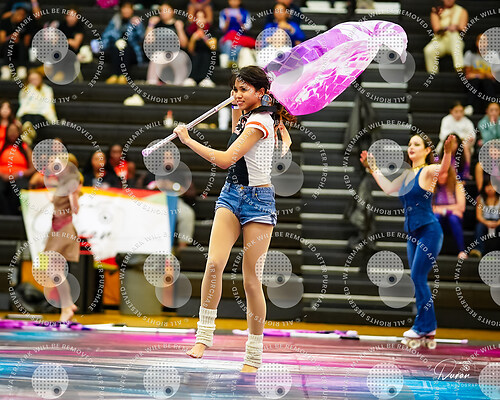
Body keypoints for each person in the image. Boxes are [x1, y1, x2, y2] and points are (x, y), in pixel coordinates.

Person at [174, 65, 293, 371]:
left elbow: (227, 159)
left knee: (251, 279)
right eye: (235, 89)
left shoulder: (260, 121)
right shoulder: (245, 115)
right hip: (231, 195)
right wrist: (238, 106)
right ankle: (203, 336)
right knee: (214, 264)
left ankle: (253, 354)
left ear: (261, 92)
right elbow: (234, 146)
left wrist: (188, 140)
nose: (237, 94)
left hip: (259, 202)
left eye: (244, 90)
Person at [360, 134, 453, 345]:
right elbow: (389, 189)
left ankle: (423, 326)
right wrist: (373, 167)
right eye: (410, 144)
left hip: (429, 231)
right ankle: (428, 327)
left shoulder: (427, 171)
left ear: (427, 151)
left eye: (417, 144)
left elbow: (444, 169)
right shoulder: (406, 175)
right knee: (416, 278)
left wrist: (447, 152)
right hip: (412, 234)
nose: (411, 147)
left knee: (418, 276)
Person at [42, 153, 82, 321]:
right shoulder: (62, 183)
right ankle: (67, 305)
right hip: (56, 229)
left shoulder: (71, 183)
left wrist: (73, 196)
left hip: (63, 229)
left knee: (54, 269)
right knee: (55, 270)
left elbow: (75, 209)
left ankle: (66, 307)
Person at [145, 3, 189, 86]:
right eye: (161, 10)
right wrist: (151, 24)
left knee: (181, 57)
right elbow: (148, 41)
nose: (163, 13)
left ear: (173, 12)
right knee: (155, 56)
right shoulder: (157, 24)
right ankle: (152, 84)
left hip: (176, 53)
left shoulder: (178, 24)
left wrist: (180, 29)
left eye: (166, 10)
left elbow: (184, 44)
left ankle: (179, 85)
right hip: (160, 53)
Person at [101, 1, 145, 84]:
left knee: (125, 49)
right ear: (121, 9)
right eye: (124, 8)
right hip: (115, 48)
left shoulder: (136, 21)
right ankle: (114, 75)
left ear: (132, 10)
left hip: (132, 50)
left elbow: (141, 38)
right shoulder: (115, 20)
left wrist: (137, 26)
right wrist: (116, 40)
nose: (126, 10)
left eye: (128, 8)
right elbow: (106, 35)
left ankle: (123, 75)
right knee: (116, 49)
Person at [423, 0, 468, 73]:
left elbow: (463, 29)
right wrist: (447, 28)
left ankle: (459, 67)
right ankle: (432, 74)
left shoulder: (462, 11)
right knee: (428, 50)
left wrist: (455, 28)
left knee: (453, 34)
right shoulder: (436, 10)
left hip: (456, 42)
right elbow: (436, 29)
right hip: (441, 41)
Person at [0, 122, 35, 214]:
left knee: (18, 188)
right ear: (6, 132)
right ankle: (5, 215)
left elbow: (32, 168)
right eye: (10, 131)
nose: (12, 133)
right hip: (2, 176)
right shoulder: (1, 146)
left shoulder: (25, 147)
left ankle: (15, 215)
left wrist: (19, 174)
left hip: (20, 177)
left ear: (19, 133)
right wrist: (2, 175)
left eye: (15, 131)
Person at [433, 165, 467, 258]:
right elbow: (431, 208)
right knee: (436, 217)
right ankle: (432, 250)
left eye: (444, 174)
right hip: (439, 218)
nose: (441, 176)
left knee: (453, 218)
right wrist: (448, 211)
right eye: (439, 174)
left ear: (449, 174)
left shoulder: (457, 185)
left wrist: (440, 209)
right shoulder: (432, 186)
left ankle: (461, 250)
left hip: (453, 219)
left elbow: (461, 207)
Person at [16, 70, 58, 145]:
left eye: (36, 79)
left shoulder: (47, 90)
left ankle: (28, 135)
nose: (34, 81)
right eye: (32, 79)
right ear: (28, 80)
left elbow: (48, 104)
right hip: (28, 112)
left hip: (41, 113)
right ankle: (29, 132)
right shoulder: (25, 90)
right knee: (26, 118)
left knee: (37, 118)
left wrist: (52, 118)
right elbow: (23, 104)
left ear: (40, 79)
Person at [44, 7, 85, 83]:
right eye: (69, 15)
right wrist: (67, 41)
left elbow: (76, 44)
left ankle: (58, 74)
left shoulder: (79, 27)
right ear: (66, 16)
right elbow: (54, 41)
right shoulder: (61, 25)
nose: (71, 18)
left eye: (74, 16)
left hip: (72, 52)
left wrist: (64, 41)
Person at [463, 34, 498, 116]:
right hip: (475, 82)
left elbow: (494, 76)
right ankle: (469, 106)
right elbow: (468, 75)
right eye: (480, 40)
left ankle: (491, 107)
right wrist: (483, 74)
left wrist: (478, 74)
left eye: (484, 41)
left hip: (489, 82)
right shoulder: (470, 54)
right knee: (475, 81)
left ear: (488, 43)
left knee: (487, 82)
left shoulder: (494, 55)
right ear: (476, 42)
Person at [184, 9, 217, 87]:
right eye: (198, 17)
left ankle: (206, 79)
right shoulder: (190, 30)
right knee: (195, 56)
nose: (200, 20)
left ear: (206, 19)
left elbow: (213, 47)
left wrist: (204, 38)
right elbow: (190, 50)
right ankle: (191, 78)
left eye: (202, 17)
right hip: (194, 54)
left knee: (205, 55)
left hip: (207, 53)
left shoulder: (211, 30)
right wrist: (193, 39)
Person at [0, 5, 32, 81]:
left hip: (20, 49)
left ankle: (21, 69)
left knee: (22, 45)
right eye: (18, 13)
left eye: (22, 14)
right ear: (14, 13)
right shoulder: (5, 22)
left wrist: (18, 40)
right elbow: (1, 40)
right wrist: (11, 37)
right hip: (6, 47)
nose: (20, 16)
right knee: (8, 44)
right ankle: (6, 69)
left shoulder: (26, 24)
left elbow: (27, 42)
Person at [470, 178, 500, 258]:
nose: (490, 188)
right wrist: (487, 223)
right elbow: (479, 216)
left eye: (492, 186)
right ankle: (478, 249)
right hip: (484, 221)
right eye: (487, 186)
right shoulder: (480, 199)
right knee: (479, 227)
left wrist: (497, 223)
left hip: (497, 221)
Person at [219, 0, 254, 67]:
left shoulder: (245, 12)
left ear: (239, 1)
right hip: (227, 37)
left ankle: (231, 62)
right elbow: (223, 29)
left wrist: (240, 21)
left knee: (238, 45)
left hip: (240, 37)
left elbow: (247, 29)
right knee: (229, 43)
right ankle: (231, 62)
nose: (234, 2)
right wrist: (227, 20)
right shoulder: (224, 12)